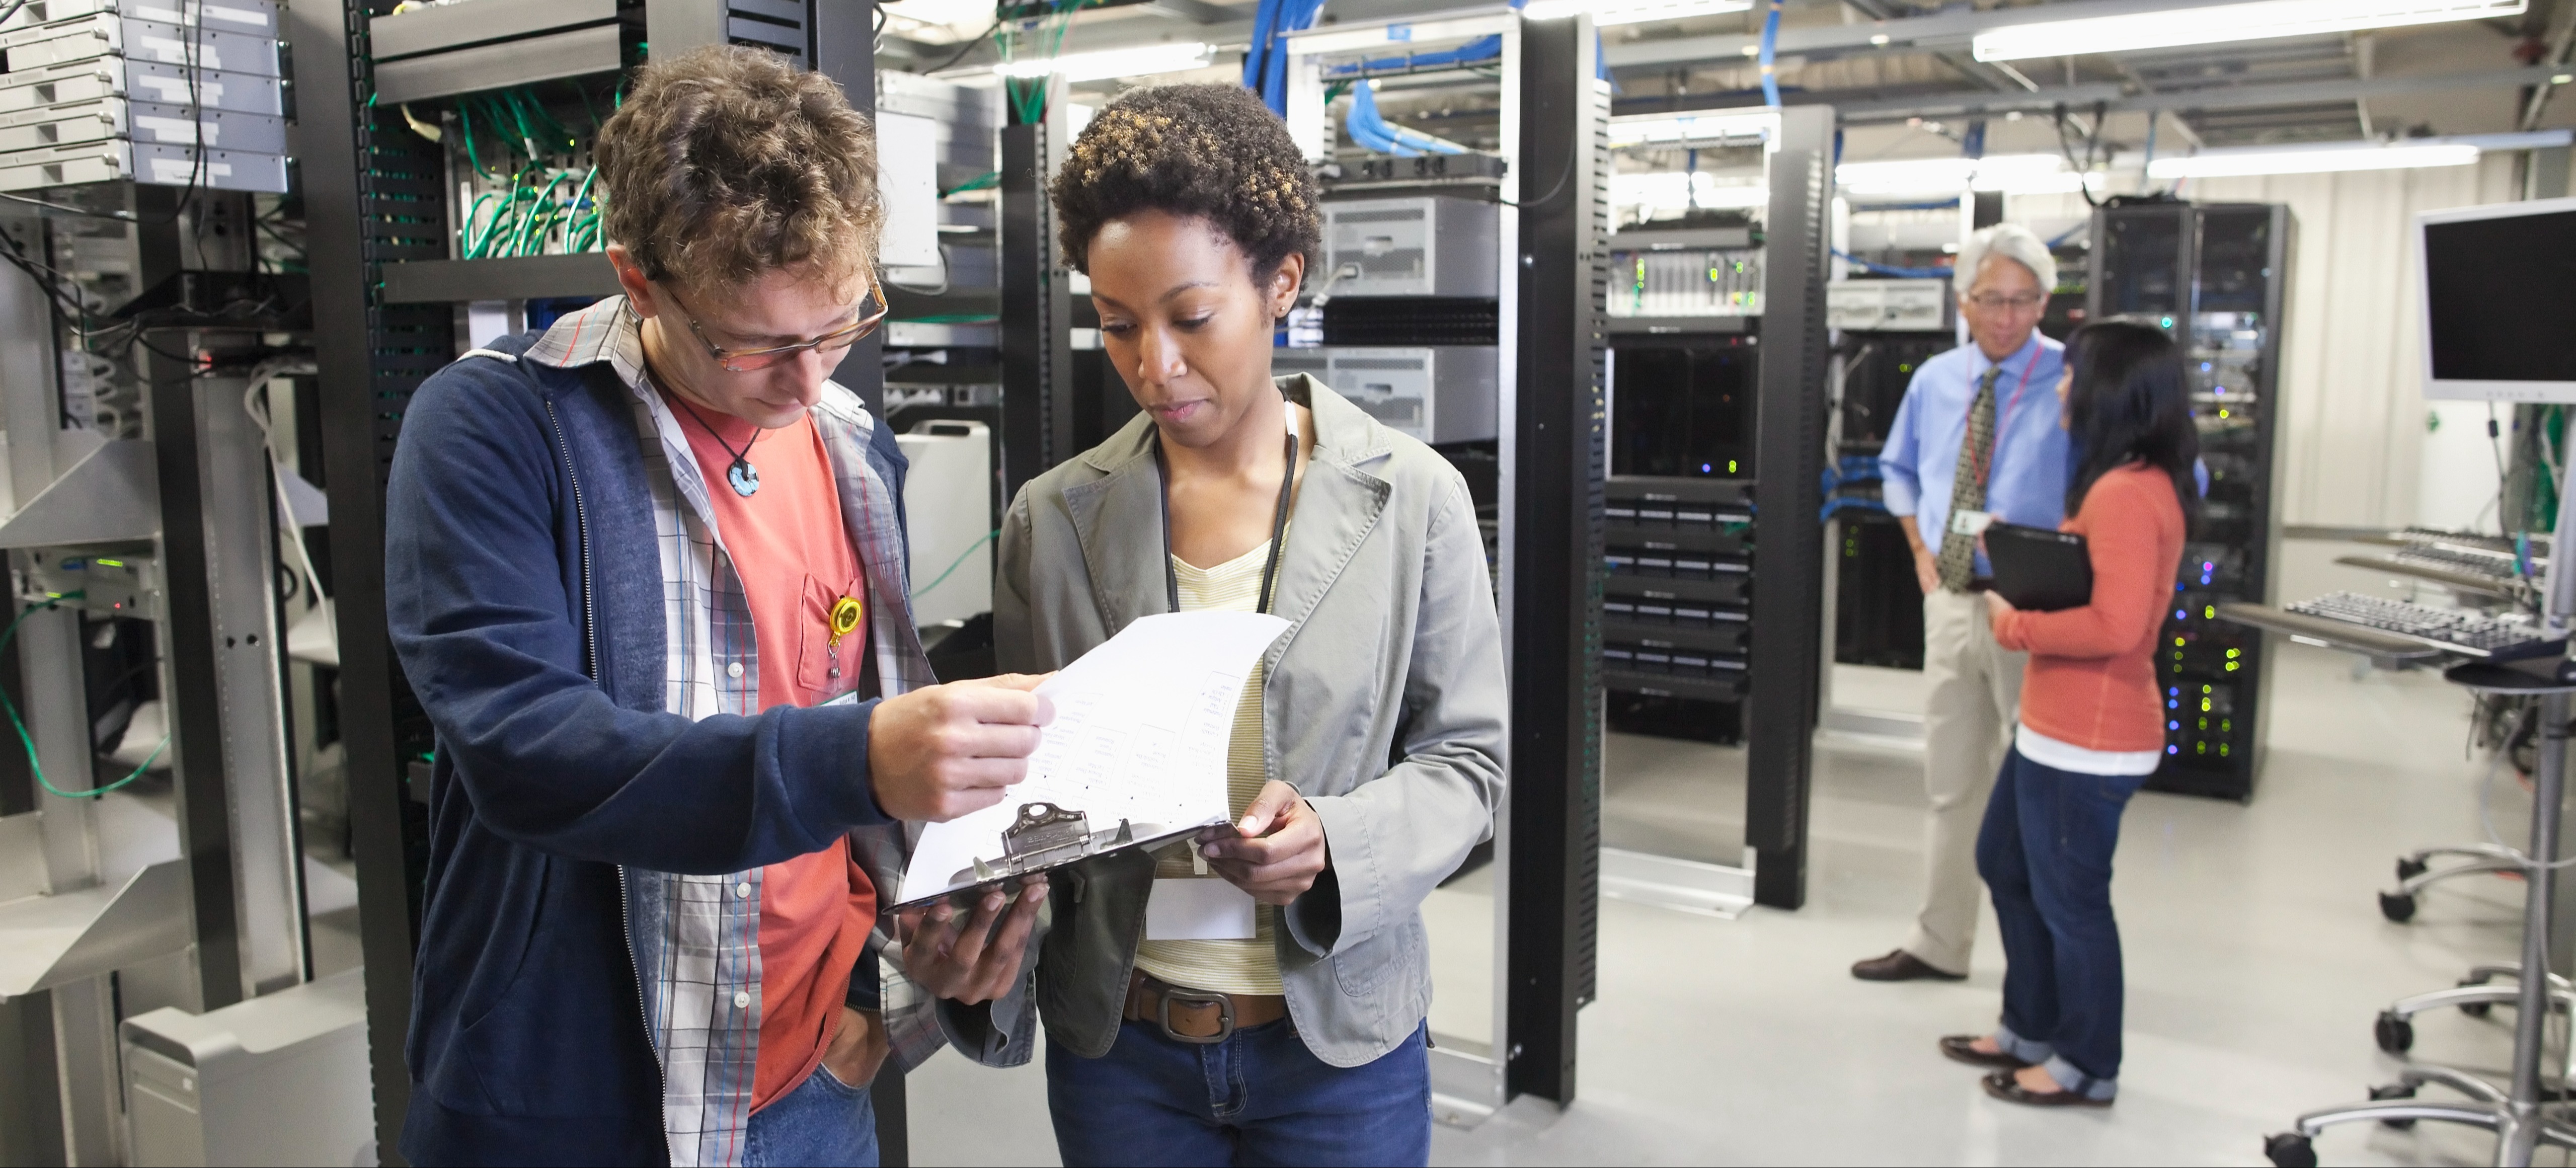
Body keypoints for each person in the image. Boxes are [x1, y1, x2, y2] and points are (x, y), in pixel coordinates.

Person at [383, 46, 1048, 1166]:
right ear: (639, 281)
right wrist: (858, 758)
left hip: (811, 1085)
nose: (806, 381)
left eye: (840, 323)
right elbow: (524, 752)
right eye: (756, 346)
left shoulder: (847, 448)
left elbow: (861, 789)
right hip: (584, 1108)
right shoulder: (500, 431)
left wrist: (900, 988)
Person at [925, 83, 1508, 1167]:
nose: (1155, 363)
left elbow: (1472, 767)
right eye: (1115, 324)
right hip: (1123, 1057)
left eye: (1191, 318)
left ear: (1280, 282)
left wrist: (1336, 841)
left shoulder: (1412, 499)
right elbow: (1024, 797)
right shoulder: (1050, 520)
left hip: (1338, 1050)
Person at [1937, 320, 2198, 1107]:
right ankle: (2029, 1026)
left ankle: (2085, 1064)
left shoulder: (2123, 493)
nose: (2060, 385)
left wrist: (2016, 620)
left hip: (2088, 736)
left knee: (2071, 902)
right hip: (2056, 727)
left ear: (2110, 391)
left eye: (2072, 375)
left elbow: (2118, 627)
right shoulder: (2129, 482)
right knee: (2005, 864)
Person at [1853, 223, 2073, 984]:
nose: (2008, 316)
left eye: (2024, 301)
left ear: (2045, 302)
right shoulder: (1937, 379)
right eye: (1992, 300)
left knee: (2038, 788)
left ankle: (2037, 962)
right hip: (1951, 597)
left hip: (2033, 608)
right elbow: (1897, 469)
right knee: (1950, 781)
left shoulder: (2074, 379)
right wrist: (1918, 545)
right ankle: (1940, 941)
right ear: (1965, 300)